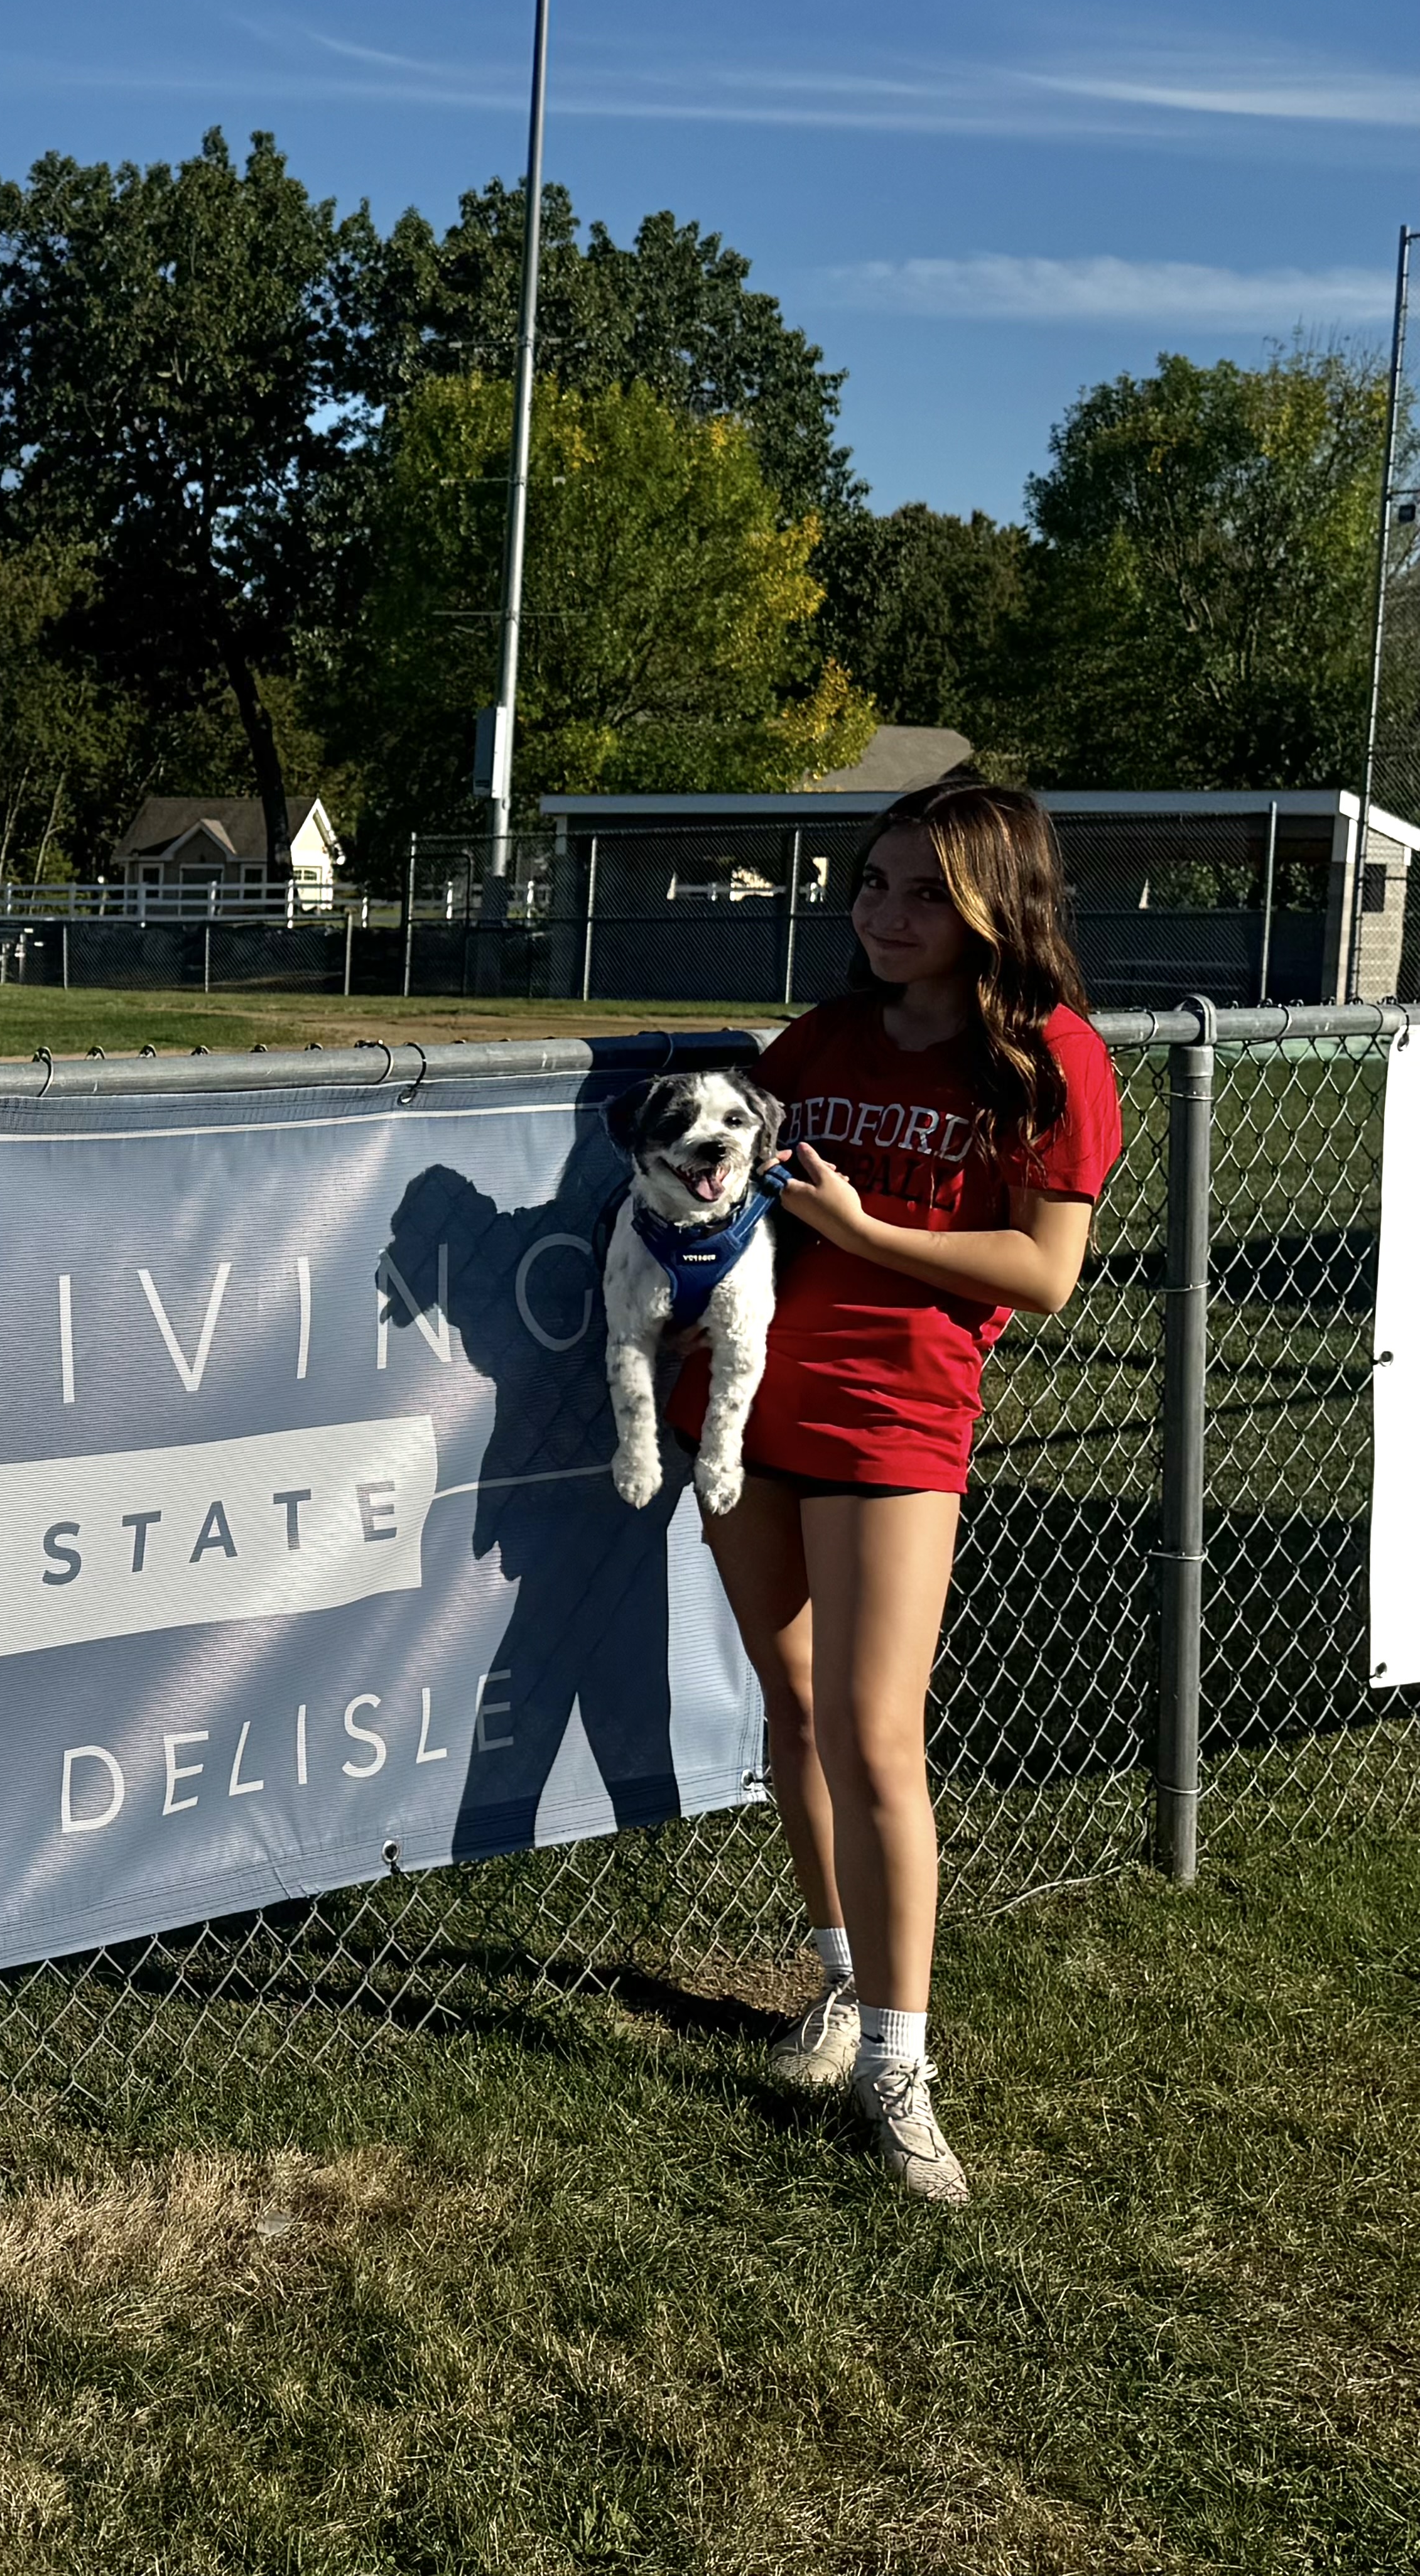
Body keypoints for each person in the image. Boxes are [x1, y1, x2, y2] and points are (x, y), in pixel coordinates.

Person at [671, 777, 1119, 2204]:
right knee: (792, 1706)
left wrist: (867, 1230)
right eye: (873, 885)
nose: (887, 914)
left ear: (998, 903)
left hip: (893, 1421)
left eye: (925, 891)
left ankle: (900, 2068)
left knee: (875, 1735)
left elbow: (1044, 1276)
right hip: (747, 1405)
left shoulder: (1051, 1063)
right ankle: (838, 1985)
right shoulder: (821, 1039)